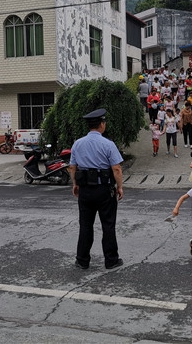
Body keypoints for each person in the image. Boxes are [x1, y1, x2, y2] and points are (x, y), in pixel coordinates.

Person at [69, 108, 124, 270]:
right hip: (104, 190)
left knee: (85, 225)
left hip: (85, 190)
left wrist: (75, 184)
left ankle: (82, 260)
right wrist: (120, 187)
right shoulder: (108, 144)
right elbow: (116, 169)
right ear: (101, 124)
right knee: (108, 225)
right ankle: (111, 260)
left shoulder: (78, 143)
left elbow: (73, 167)